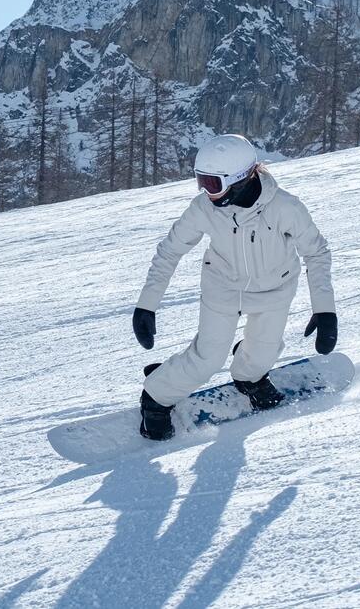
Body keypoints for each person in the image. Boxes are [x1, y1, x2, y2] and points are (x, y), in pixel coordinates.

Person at [132, 133, 337, 441]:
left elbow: (316, 252)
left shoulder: (284, 208)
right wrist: (147, 304)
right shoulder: (204, 208)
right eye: (201, 181)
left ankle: (250, 377)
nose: (205, 191)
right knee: (207, 359)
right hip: (223, 289)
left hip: (274, 291)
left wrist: (325, 310)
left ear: (239, 179)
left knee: (259, 358)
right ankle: (155, 396)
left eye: (213, 184)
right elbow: (170, 250)